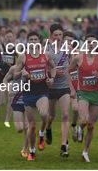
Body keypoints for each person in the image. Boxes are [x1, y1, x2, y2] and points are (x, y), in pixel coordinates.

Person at [15, 31, 56, 161]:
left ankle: (42, 133)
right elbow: (15, 74)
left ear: (39, 41)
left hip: (42, 90)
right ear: (28, 41)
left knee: (44, 114)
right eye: (31, 39)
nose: (33, 42)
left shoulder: (46, 55)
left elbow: (53, 68)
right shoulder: (23, 57)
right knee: (31, 125)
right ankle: (32, 151)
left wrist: (52, 79)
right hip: (28, 93)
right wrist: (22, 72)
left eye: (35, 39)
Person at [68, 34, 98, 162]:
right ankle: (79, 128)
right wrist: (72, 89)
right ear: (85, 44)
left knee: (91, 126)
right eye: (89, 42)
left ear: (97, 45)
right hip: (83, 93)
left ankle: (85, 151)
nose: (91, 44)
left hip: (96, 94)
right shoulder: (78, 58)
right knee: (84, 120)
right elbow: (68, 72)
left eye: (94, 42)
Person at [45, 23, 74, 157]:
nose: (58, 37)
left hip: (64, 87)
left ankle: (64, 145)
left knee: (65, 115)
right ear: (51, 35)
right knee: (51, 116)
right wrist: (52, 73)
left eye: (60, 35)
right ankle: (48, 128)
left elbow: (72, 66)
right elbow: (43, 67)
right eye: (55, 35)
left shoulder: (68, 49)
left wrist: (72, 87)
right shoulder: (46, 50)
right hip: (51, 87)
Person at [2, 64, 29, 158]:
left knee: (27, 126)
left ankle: (25, 149)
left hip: (29, 99)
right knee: (20, 129)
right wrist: (8, 88)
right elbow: (5, 80)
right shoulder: (14, 68)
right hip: (16, 99)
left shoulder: (33, 66)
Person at [64, 31, 82, 143]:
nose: (69, 43)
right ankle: (74, 127)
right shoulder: (59, 55)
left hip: (80, 86)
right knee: (74, 109)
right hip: (66, 87)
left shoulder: (77, 54)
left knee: (80, 110)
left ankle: (77, 128)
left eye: (71, 41)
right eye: (67, 40)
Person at [1, 30, 17, 128]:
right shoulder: (1, 48)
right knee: (4, 99)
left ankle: (7, 120)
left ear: (14, 37)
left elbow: (19, 63)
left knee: (10, 99)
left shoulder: (17, 49)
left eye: (10, 36)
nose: (9, 38)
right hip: (1, 75)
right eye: (7, 36)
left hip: (12, 76)